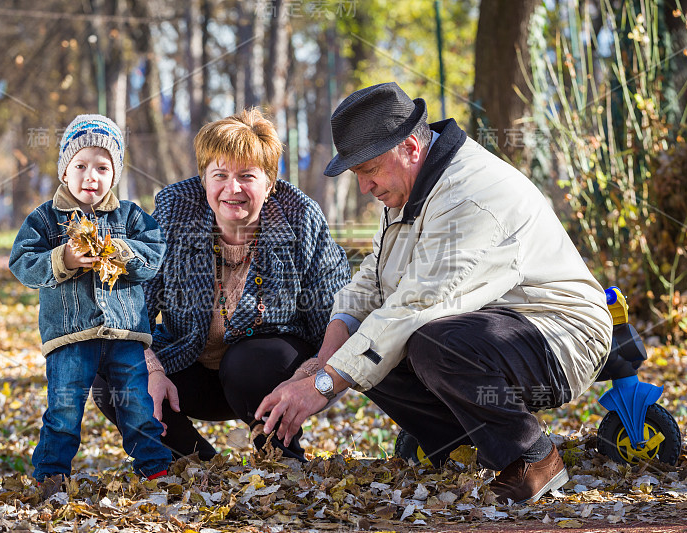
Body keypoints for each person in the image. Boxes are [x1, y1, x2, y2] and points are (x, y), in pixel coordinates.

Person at [256, 82, 612, 504]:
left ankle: (532, 455)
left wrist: (322, 387)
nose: (365, 187)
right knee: (366, 349)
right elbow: (369, 283)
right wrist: (322, 364)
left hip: (561, 332)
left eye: (369, 170)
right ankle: (462, 445)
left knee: (428, 342)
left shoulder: (471, 197)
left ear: (409, 146)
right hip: (489, 324)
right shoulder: (409, 188)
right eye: (358, 175)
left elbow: (416, 307)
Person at [92, 108, 351, 462]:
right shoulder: (174, 215)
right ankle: (197, 463)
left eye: (247, 175)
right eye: (220, 175)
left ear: (270, 182)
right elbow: (127, 307)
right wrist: (149, 369)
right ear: (204, 180)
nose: (233, 188)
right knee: (112, 374)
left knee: (247, 361)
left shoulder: (300, 219)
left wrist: (309, 378)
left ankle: (280, 454)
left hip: (270, 375)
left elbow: (340, 314)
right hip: (192, 367)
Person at [9, 114, 172, 493]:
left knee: (136, 405)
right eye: (80, 166)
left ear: (114, 173)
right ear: (65, 170)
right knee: (64, 409)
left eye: (101, 167)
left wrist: (120, 251)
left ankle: (154, 468)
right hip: (70, 337)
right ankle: (51, 474)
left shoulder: (129, 216)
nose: (90, 177)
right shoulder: (46, 220)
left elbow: (154, 254)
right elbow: (22, 262)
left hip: (125, 335)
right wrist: (62, 259)